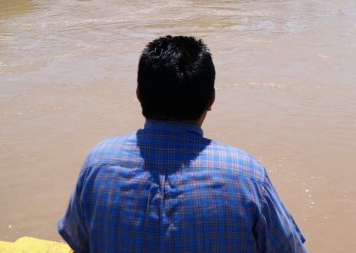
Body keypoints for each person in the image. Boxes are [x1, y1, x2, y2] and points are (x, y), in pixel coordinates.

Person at [58, 35, 307, 253]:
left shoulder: (98, 163)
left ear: (139, 94)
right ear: (211, 99)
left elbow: (78, 242)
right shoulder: (247, 175)